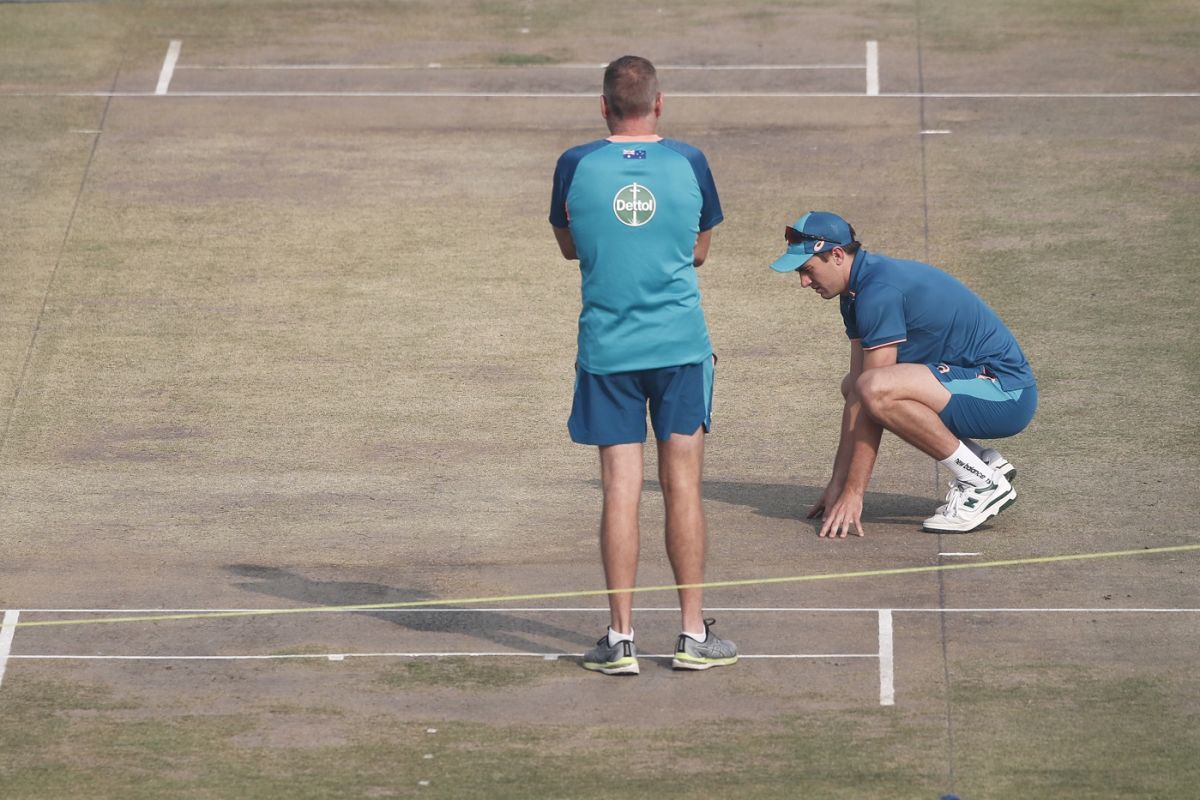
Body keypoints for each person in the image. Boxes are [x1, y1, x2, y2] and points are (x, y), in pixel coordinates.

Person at [549, 55, 736, 675]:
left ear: (603, 107)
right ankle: (691, 635)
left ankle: (621, 639)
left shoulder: (575, 165)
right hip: (680, 351)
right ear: (659, 104)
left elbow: (571, 246)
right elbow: (700, 251)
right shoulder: (691, 162)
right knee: (683, 486)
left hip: (609, 354)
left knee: (619, 490)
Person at [769, 211, 1037, 537]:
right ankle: (982, 461)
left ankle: (980, 482)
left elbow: (874, 395)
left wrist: (854, 493)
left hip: (1007, 394)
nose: (804, 282)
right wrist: (837, 483)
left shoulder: (877, 292)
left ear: (837, 255)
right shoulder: (854, 293)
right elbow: (857, 392)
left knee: (876, 389)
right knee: (855, 385)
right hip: (977, 384)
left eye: (807, 270)